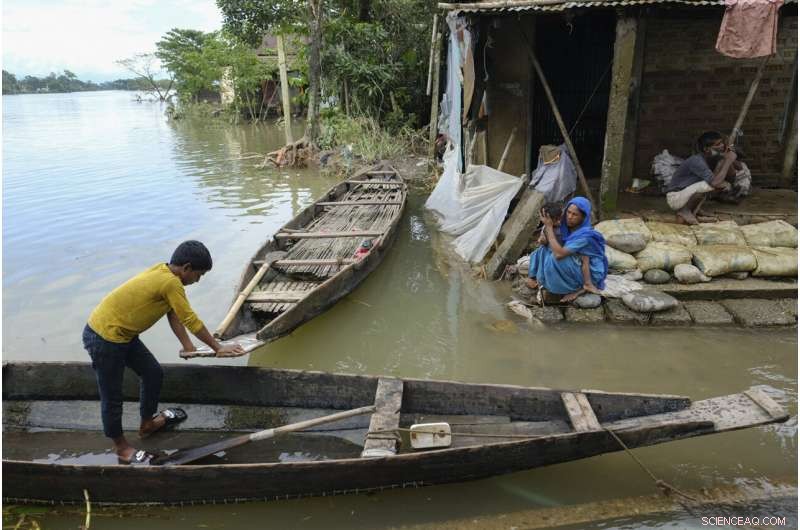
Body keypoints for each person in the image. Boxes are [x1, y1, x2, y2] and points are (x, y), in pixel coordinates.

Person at [82, 240, 245, 464]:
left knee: (153, 373)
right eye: (199, 275)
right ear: (187, 268)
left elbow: (173, 313)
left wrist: (187, 345)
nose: (198, 280)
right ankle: (121, 448)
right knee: (112, 396)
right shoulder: (171, 283)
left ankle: (147, 424)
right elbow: (190, 319)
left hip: (123, 335)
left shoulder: (163, 271)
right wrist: (219, 348)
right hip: (104, 338)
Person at [525, 197, 608, 303]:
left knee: (555, 258)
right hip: (579, 262)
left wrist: (549, 228)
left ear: (583, 217)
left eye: (575, 215)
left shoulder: (585, 236)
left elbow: (559, 254)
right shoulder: (566, 227)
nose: (569, 217)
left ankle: (577, 288)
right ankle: (537, 279)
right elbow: (547, 242)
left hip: (591, 272)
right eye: (568, 212)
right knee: (543, 250)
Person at [666, 131, 739, 225]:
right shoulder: (696, 161)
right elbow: (715, 183)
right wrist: (728, 160)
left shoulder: (713, 158)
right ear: (706, 149)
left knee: (718, 182)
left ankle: (695, 210)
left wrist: (729, 156)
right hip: (675, 197)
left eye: (722, 143)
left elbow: (735, 172)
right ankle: (684, 211)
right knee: (714, 184)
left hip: (686, 193)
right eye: (718, 144)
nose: (722, 146)